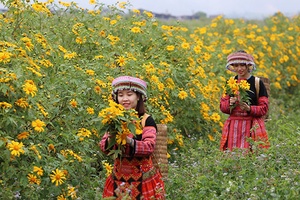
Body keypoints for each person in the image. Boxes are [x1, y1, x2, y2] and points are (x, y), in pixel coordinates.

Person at [99, 75, 165, 200]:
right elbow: (104, 147)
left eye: (129, 94)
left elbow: (149, 147)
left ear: (138, 96)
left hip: (143, 181)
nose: (125, 99)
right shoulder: (114, 118)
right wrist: (111, 137)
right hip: (119, 181)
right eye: (121, 95)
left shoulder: (146, 120)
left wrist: (128, 140)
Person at [219, 50, 270, 151]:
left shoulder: (257, 83)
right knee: (232, 158)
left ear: (248, 66)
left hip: (251, 128)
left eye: (242, 65)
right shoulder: (230, 82)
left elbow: (264, 108)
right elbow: (222, 106)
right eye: (236, 65)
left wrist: (249, 108)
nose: (239, 68)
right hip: (233, 128)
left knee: (251, 157)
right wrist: (229, 104)